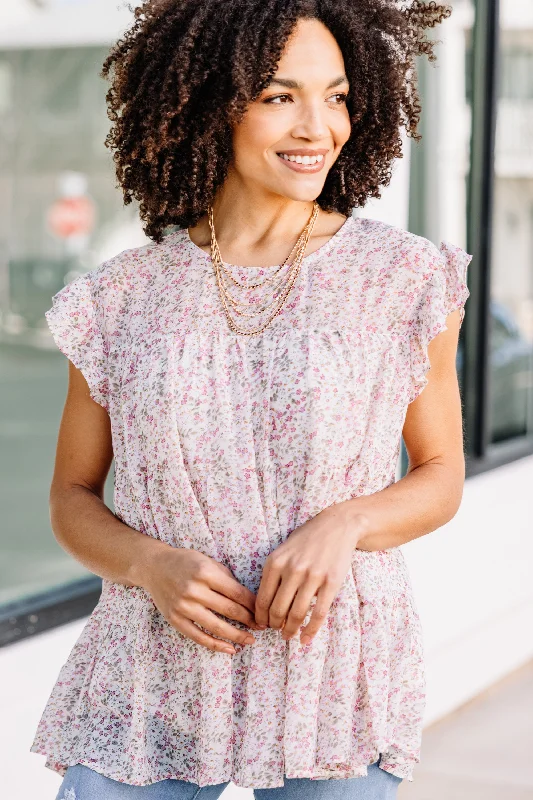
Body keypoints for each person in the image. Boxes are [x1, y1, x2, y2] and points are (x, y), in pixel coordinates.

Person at [30, 1, 471, 798]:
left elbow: (440, 472)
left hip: (328, 676)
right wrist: (146, 562)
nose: (317, 127)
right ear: (208, 100)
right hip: (148, 674)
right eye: (279, 96)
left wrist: (349, 521)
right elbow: (71, 496)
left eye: (335, 96)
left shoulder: (403, 280)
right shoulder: (119, 298)